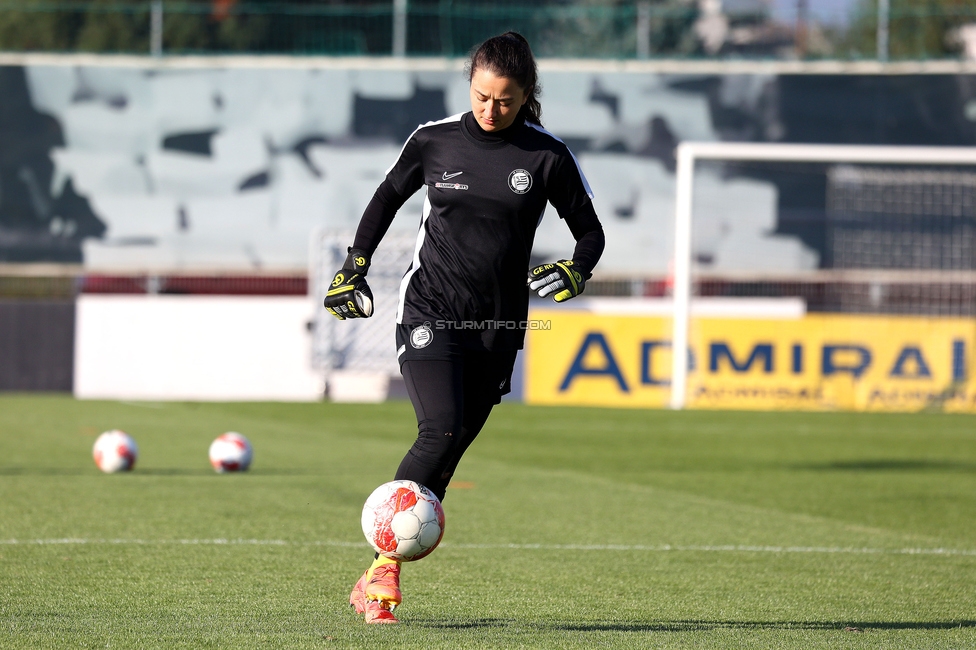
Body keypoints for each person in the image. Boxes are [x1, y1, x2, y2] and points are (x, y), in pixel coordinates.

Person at [323, 31, 605, 624]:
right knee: (439, 429)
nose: (490, 110)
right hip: (428, 309)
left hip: (498, 326)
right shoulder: (434, 141)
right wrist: (355, 266)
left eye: (505, 100)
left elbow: (591, 232)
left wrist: (579, 270)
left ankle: (374, 570)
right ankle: (382, 577)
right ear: (470, 84)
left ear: (526, 95)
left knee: (447, 457)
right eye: (481, 96)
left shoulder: (546, 156)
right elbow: (385, 199)